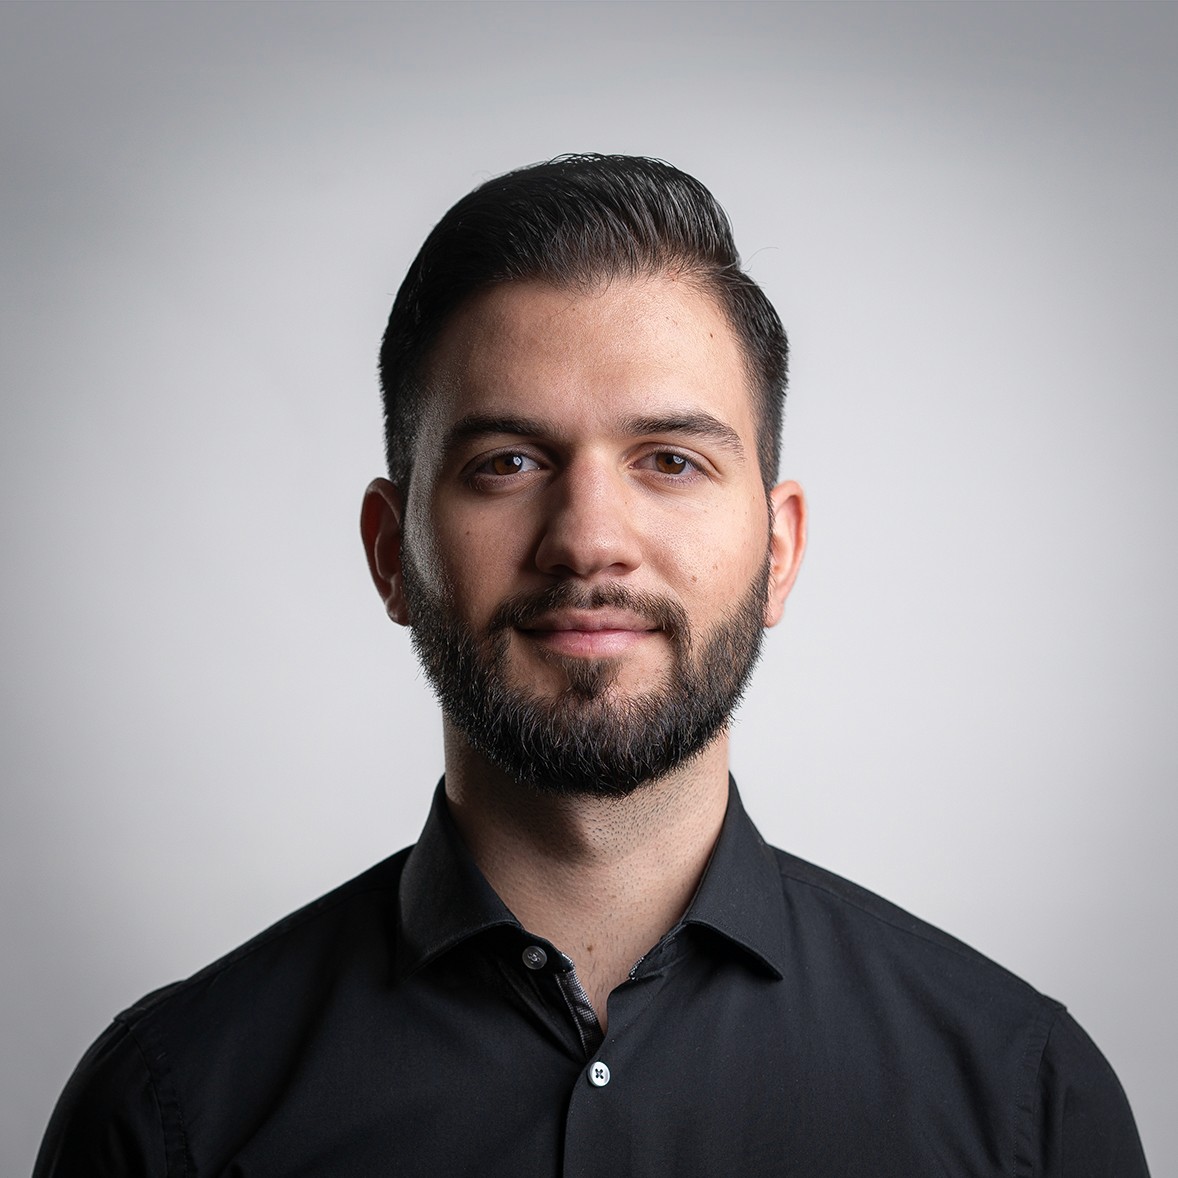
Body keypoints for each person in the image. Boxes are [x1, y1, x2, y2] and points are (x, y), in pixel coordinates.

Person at [34, 155, 1149, 1177]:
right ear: (391, 554)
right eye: (507, 461)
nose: (589, 537)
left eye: (669, 459)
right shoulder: (167, 1113)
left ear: (779, 550)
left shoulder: (1023, 1103)